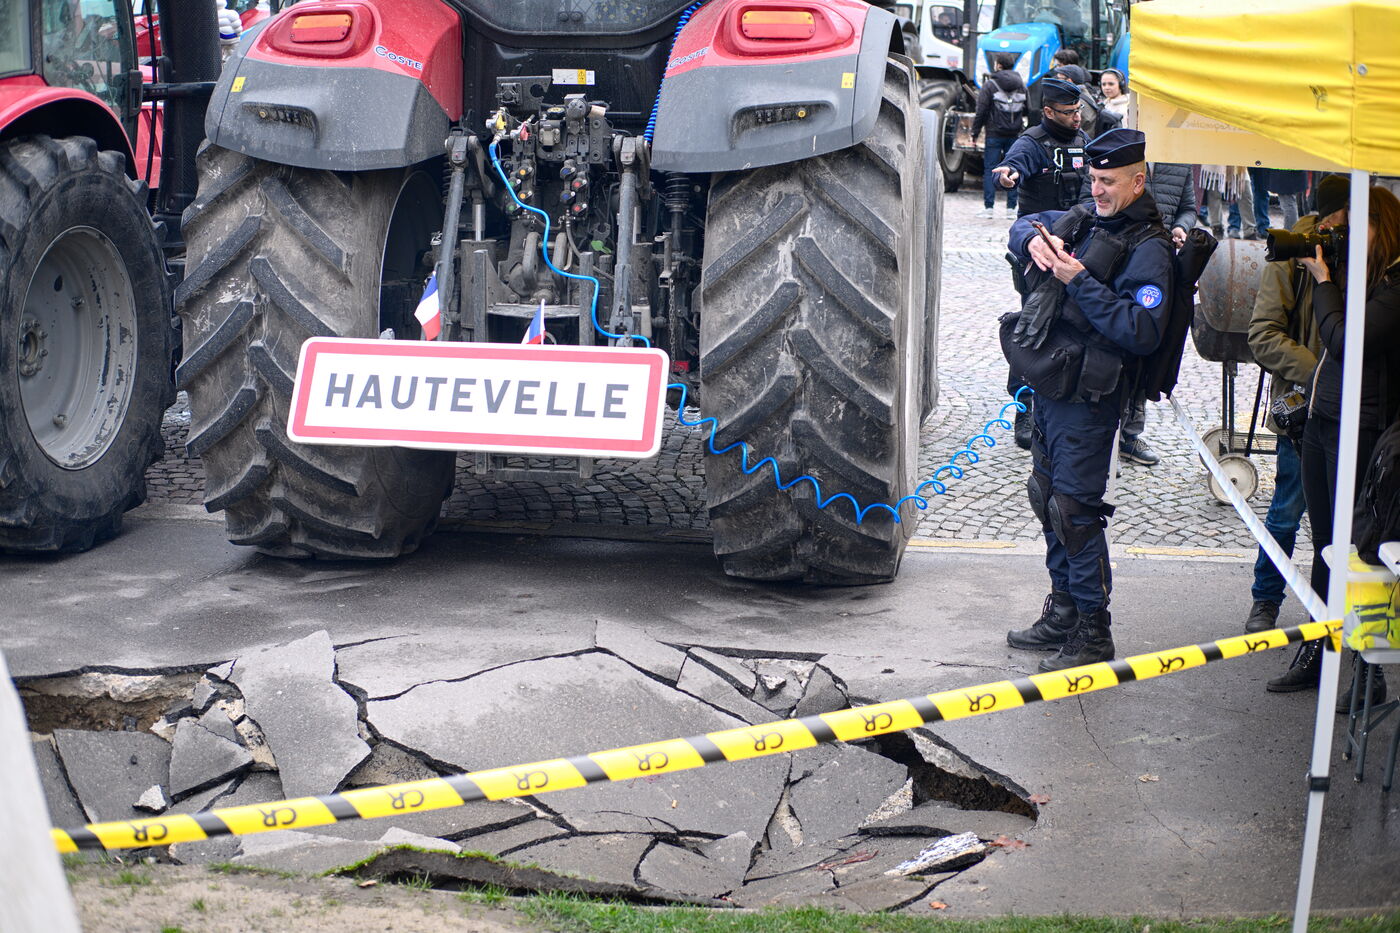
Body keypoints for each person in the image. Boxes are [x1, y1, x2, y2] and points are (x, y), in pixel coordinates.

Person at [1003, 128, 1175, 671]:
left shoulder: (1149, 248)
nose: (1096, 190)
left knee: (1075, 512)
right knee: (1047, 497)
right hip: (1054, 388)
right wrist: (1031, 240)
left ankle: (1093, 632)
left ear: (1137, 181)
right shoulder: (1091, 218)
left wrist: (1078, 280)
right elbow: (1027, 222)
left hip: (1092, 398)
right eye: (1093, 179)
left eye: (1108, 181)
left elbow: (1142, 330)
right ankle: (1064, 612)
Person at [1266, 187, 1400, 700]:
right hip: (1323, 421)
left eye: (1353, 226)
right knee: (1325, 545)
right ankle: (1317, 650)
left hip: (1362, 428)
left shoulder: (1395, 285)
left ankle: (1369, 671)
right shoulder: (1364, 277)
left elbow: (1345, 341)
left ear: (1382, 226)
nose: (1343, 236)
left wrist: (1324, 281)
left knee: (1359, 550)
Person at [1242, 174, 1347, 639]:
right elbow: (1263, 333)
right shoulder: (1293, 250)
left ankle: (1331, 614)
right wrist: (1325, 375)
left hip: (1360, 411)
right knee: (1287, 510)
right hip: (1307, 408)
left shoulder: (1373, 253)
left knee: (1348, 522)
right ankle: (1265, 598)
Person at [993, 78, 1091, 449]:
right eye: (1068, 113)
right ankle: (1024, 409)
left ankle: (1063, 406)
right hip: (1038, 252)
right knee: (1033, 328)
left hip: (1076, 249)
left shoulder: (1084, 141)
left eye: (1079, 110)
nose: (1077, 118)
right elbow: (1013, 166)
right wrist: (1008, 176)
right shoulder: (1032, 143)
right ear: (1048, 111)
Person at [1115, 161, 1199, 467]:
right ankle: (1106, 437)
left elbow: (1188, 207)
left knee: (1148, 351)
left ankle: (1130, 434)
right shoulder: (1125, 157)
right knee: (1118, 351)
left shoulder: (1179, 163)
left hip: (1160, 268)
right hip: (1121, 263)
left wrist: (1181, 227)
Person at [973, 52, 1029, 219]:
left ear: (998, 65)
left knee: (990, 169)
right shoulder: (1021, 85)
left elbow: (981, 111)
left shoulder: (990, 85)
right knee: (1013, 168)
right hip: (1015, 133)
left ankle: (989, 208)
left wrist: (975, 132)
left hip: (994, 133)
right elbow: (1029, 109)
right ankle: (1011, 208)